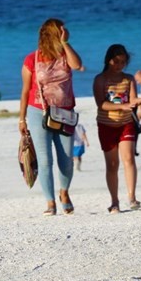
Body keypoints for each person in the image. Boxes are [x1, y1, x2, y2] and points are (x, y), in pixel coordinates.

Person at [18, 19, 83, 216]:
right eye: (61, 31)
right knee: (45, 160)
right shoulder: (32, 59)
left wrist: (65, 43)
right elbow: (25, 90)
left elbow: (78, 65)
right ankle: (50, 202)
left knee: (66, 159)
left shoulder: (65, 55)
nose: (66, 32)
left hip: (64, 112)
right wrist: (22, 119)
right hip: (38, 111)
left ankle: (64, 192)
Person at [93, 44, 141, 213]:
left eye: (123, 62)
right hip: (106, 125)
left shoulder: (129, 79)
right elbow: (101, 104)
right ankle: (114, 201)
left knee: (129, 159)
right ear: (108, 60)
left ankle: (132, 197)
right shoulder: (100, 79)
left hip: (126, 124)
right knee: (112, 164)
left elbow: (132, 100)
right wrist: (122, 106)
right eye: (116, 61)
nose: (119, 65)